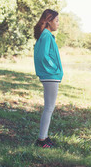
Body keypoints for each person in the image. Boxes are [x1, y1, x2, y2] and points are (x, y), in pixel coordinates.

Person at [33, 9, 63, 148]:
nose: (58, 23)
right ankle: (42, 140)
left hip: (50, 76)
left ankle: (43, 137)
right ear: (49, 21)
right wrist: (54, 68)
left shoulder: (46, 35)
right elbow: (43, 56)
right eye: (56, 21)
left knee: (49, 108)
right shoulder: (46, 35)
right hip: (50, 76)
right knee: (49, 108)